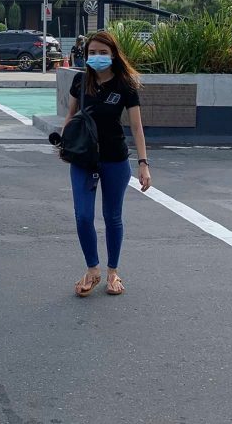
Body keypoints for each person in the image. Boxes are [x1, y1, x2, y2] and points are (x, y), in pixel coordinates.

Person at [62, 30, 151, 298]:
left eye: (103, 52)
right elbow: (71, 116)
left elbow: (136, 127)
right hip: (83, 158)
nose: (97, 57)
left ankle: (113, 272)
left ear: (113, 54)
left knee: (112, 217)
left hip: (115, 158)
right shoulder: (80, 81)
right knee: (83, 216)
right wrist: (64, 145)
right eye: (92, 53)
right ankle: (93, 270)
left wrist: (143, 163)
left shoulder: (125, 85)